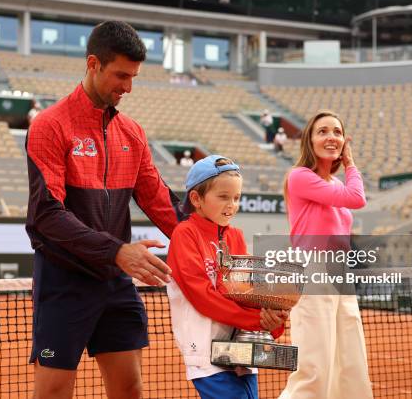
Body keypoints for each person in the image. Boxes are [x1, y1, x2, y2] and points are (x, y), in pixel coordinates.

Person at [25, 21, 183, 399]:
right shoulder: (50, 125)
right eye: (121, 75)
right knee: (53, 392)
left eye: (134, 77)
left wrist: (209, 243)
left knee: (129, 389)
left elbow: (159, 199)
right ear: (93, 63)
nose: (128, 87)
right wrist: (115, 250)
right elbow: (46, 214)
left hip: (115, 280)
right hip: (65, 281)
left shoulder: (133, 133)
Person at [166, 155, 288, 399]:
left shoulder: (236, 236)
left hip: (242, 350)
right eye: (223, 197)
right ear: (196, 199)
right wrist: (255, 320)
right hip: (205, 349)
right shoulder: (185, 235)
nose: (231, 205)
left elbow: (244, 292)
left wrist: (272, 316)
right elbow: (202, 296)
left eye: (236, 198)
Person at [278, 110, 373, 399]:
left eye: (337, 131)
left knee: (349, 359)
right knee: (314, 367)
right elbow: (358, 199)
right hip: (313, 271)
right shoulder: (299, 177)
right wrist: (350, 163)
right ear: (309, 140)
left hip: (340, 274)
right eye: (323, 131)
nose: (331, 136)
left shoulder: (336, 185)